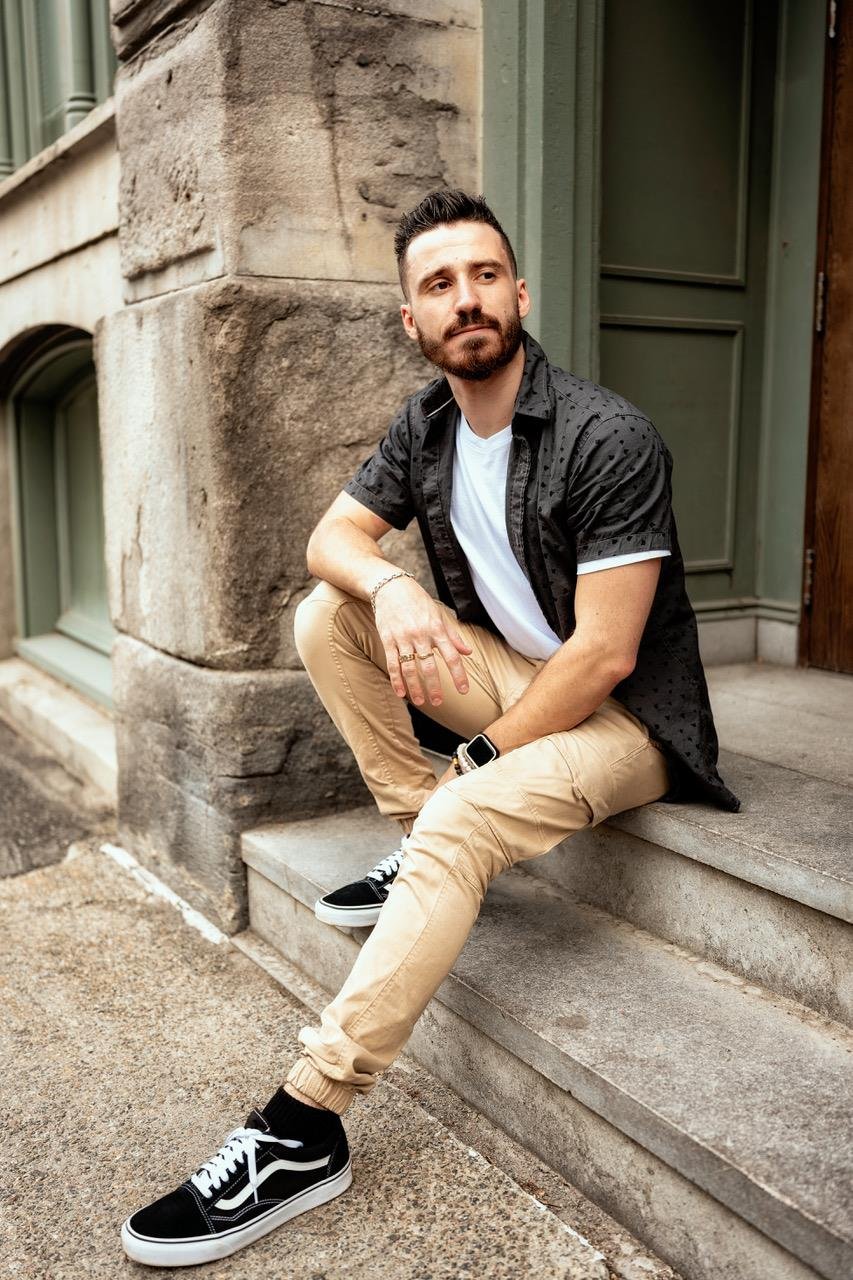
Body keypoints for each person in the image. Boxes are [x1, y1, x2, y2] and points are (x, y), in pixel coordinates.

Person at [120, 189, 740, 1267]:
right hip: (521, 678)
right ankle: (423, 837)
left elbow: (604, 656)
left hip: (628, 722)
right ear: (412, 319)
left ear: (520, 293)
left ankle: (305, 1124)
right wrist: (394, 586)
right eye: (440, 284)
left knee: (465, 816)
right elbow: (331, 540)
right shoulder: (428, 426)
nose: (467, 299)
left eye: (485, 275)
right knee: (328, 615)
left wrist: (480, 763)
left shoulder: (606, 435)